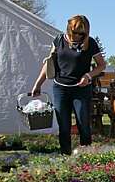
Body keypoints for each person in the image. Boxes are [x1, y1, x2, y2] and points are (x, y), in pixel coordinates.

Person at [31, 15, 106, 155]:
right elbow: (48, 65)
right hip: (61, 89)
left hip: (81, 90)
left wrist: (88, 76)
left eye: (81, 33)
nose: (78, 36)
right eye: (75, 32)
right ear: (69, 29)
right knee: (64, 126)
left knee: (83, 124)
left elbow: (101, 65)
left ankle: (86, 156)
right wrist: (38, 84)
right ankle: (65, 155)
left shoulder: (90, 43)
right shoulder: (59, 41)